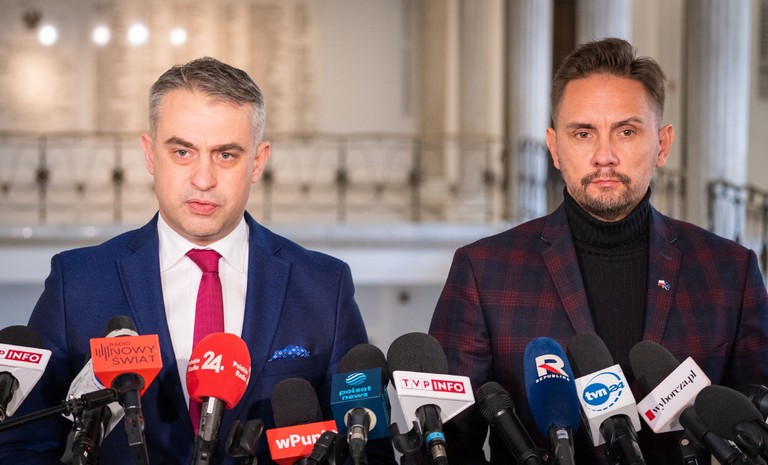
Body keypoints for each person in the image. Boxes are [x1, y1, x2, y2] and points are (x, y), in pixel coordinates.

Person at [0, 57, 395, 464]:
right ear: (149, 154)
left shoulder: (324, 286)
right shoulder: (76, 282)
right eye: (182, 151)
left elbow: (367, 448)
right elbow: (21, 445)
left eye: (226, 155)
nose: (203, 179)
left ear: (257, 162)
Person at [429, 38, 768, 464]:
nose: (604, 156)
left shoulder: (730, 271)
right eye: (583, 133)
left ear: (662, 145)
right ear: (555, 147)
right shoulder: (484, 272)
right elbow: (445, 442)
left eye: (626, 132)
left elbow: (756, 428)